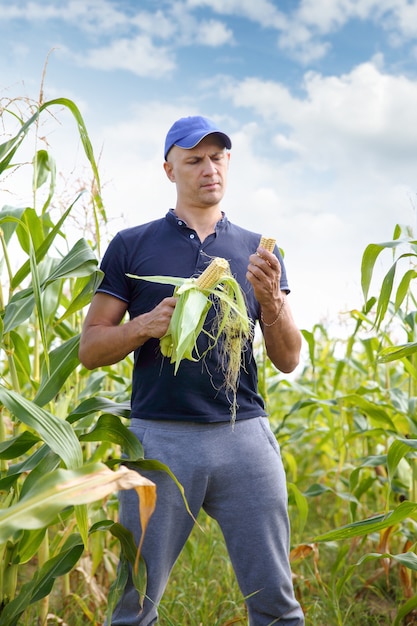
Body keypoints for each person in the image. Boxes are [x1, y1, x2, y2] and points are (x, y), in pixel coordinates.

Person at [79, 115, 304, 626]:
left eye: (218, 157)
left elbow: (288, 359)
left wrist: (271, 302)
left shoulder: (259, 250)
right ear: (169, 169)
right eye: (194, 159)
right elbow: (90, 348)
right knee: (136, 607)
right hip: (160, 441)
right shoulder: (132, 246)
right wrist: (143, 328)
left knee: (278, 606)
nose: (210, 169)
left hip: (243, 435)